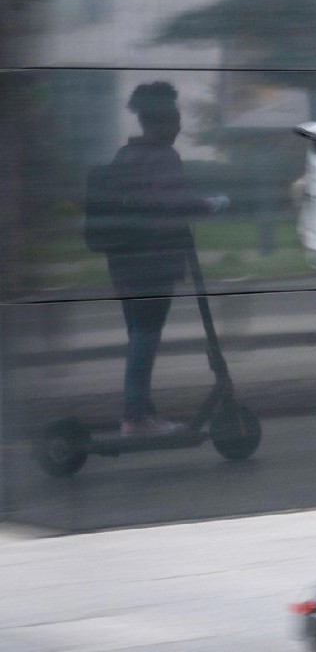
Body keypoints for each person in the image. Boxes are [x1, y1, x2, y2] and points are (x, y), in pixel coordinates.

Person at [91, 82, 228, 436]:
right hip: (152, 262)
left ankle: (141, 412)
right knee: (146, 336)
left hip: (124, 262)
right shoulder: (162, 157)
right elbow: (173, 202)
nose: (179, 126)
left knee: (139, 334)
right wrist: (213, 204)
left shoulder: (127, 156)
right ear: (162, 121)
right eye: (176, 119)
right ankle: (135, 418)